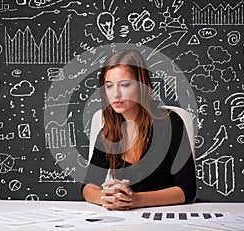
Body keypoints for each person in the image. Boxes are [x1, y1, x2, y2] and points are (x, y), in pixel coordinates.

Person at [82, 49, 196, 210]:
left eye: (125, 84)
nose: (116, 94)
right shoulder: (107, 133)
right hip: (127, 219)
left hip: (168, 217)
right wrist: (107, 198)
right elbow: (88, 187)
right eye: (109, 86)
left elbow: (186, 191)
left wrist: (134, 200)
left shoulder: (170, 123)